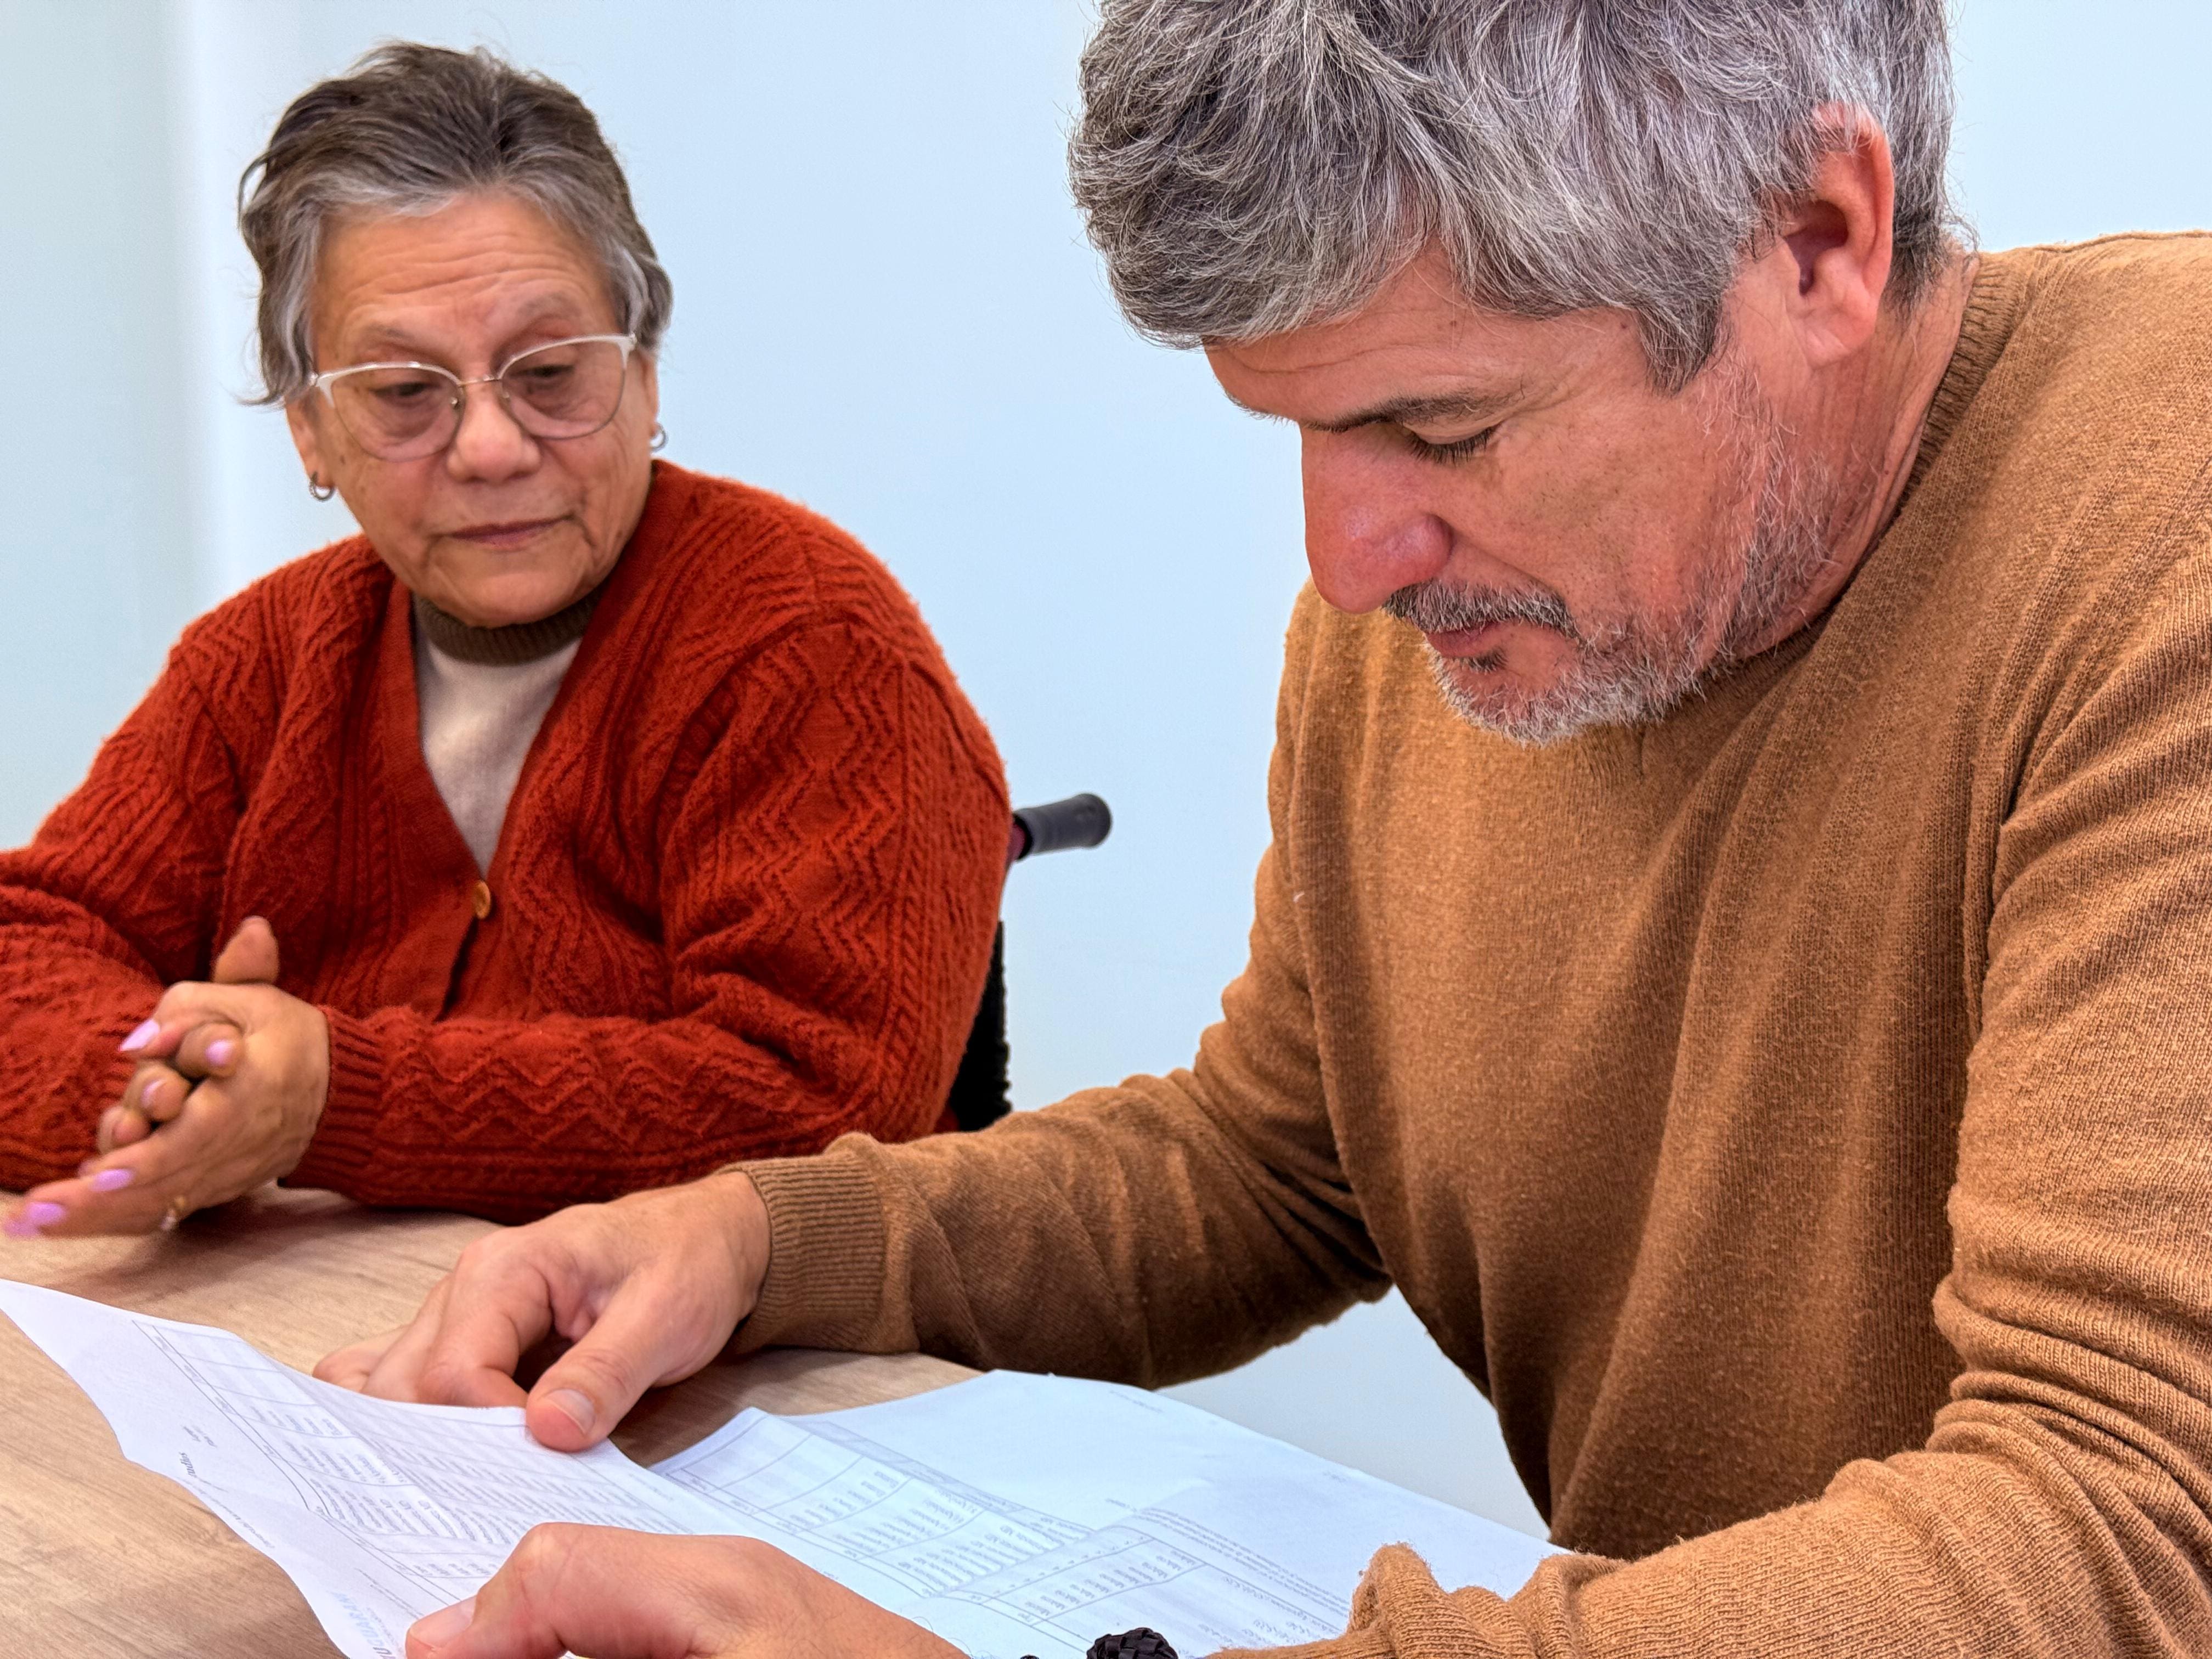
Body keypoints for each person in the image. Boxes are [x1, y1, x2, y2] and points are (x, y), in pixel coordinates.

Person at [333, 3, 2212, 1656]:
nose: (1345, 562)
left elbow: (2124, 1540)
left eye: (1447, 429)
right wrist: (762, 1240)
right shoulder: (1447, 619)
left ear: (1816, 241)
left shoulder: (2160, 531)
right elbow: (1286, 1157)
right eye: (1296, 430)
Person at [0, 44, 1007, 1237]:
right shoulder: (261, 662)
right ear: (311, 431)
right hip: (318, 1357)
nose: (489, 447)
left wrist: (332, 1096)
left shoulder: (811, 648)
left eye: (547, 373)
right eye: (404, 392)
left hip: (731, 1387)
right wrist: (175, 1089)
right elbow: (31, 948)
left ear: (641, 373)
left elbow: (829, 1105)